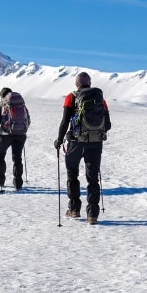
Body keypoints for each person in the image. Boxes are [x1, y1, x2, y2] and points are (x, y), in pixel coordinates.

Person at [55, 72, 111, 224]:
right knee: (93, 179)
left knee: (72, 174)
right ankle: (92, 215)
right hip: (95, 142)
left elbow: (65, 120)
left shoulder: (71, 97)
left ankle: (74, 209)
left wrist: (59, 140)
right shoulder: (100, 98)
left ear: (76, 83)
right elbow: (108, 125)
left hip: (75, 143)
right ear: (90, 83)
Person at [0, 87, 30, 191]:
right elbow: (28, 119)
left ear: (3, 96)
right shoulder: (22, 105)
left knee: (0, 156)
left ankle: (0, 180)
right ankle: (18, 183)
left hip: (4, 135)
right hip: (21, 135)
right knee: (17, 158)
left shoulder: (1, 105)